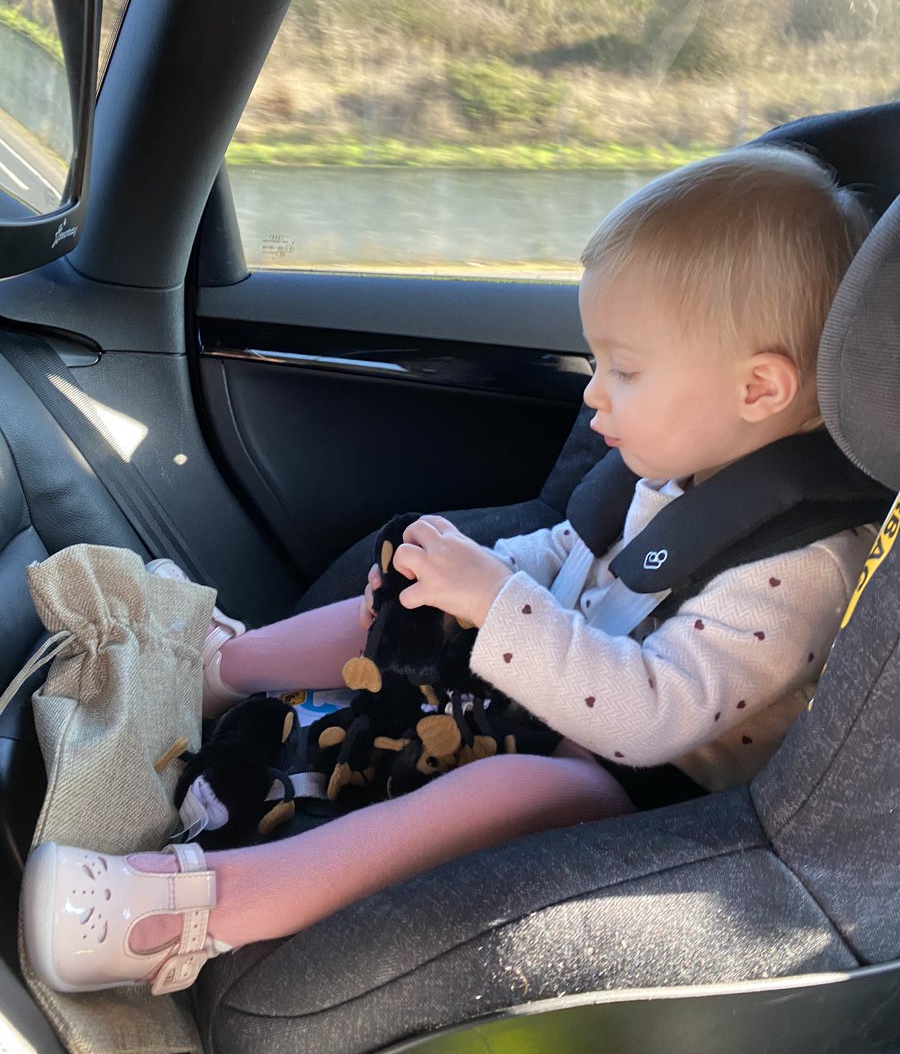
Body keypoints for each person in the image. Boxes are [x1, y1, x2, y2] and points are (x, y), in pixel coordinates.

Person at [22, 144, 879, 996]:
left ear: (760, 389)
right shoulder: (676, 472)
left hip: (642, 784)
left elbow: (651, 719)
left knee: (521, 786)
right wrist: (464, 576)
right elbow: (568, 557)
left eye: (626, 369)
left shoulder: (799, 568)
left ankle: (186, 915)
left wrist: (498, 604)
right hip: (567, 683)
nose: (594, 393)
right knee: (409, 608)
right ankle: (204, 672)